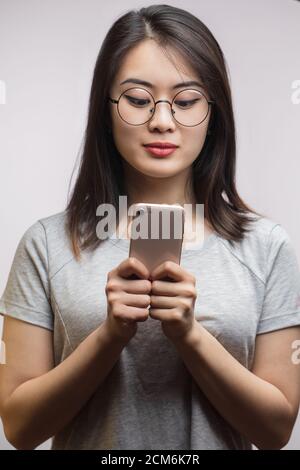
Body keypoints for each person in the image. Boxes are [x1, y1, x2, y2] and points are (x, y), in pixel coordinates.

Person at [1, 4, 300, 450]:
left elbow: (276, 431)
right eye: (138, 100)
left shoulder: (267, 247)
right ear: (106, 109)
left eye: (186, 101)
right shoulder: (46, 244)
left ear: (213, 112)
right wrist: (109, 336)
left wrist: (188, 333)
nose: (162, 121)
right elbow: (19, 428)